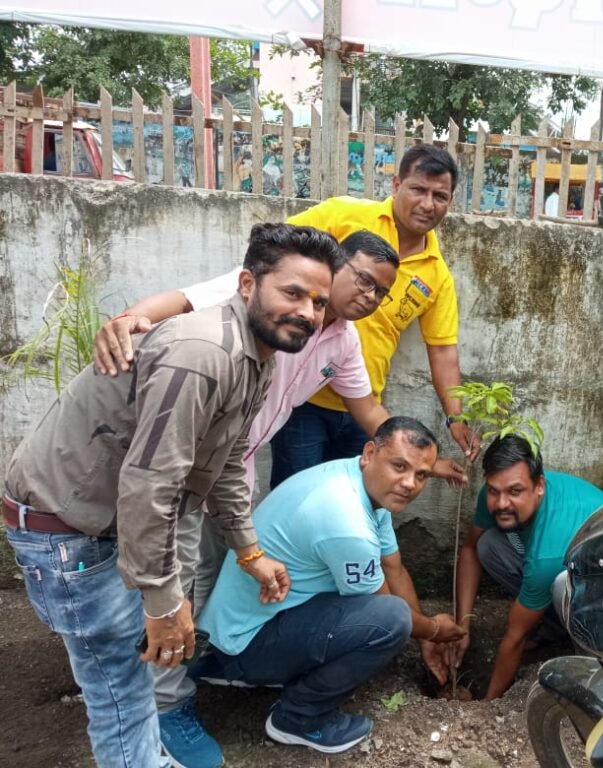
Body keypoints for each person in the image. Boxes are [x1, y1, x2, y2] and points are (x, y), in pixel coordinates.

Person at [91, 230, 466, 767]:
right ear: (331, 271)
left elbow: (370, 414)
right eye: (360, 279)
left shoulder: (338, 341)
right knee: (172, 580)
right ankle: (168, 702)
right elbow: (183, 299)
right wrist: (130, 317)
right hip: (184, 463)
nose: (368, 295)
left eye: (381, 292)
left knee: (213, 575)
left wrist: (425, 462)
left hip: (231, 465)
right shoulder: (270, 297)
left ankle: (196, 664)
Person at [3, 223, 341, 768]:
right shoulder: (204, 353)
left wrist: (249, 551)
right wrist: (163, 603)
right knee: (122, 690)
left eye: (319, 301)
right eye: (293, 293)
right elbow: (151, 484)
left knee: (129, 678)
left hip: (104, 522)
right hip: (66, 532)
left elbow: (228, 461)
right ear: (249, 284)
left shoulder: (258, 355)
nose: (307, 311)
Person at [196, 417, 466, 754]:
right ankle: (298, 717)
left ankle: (239, 670)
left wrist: (425, 635)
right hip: (245, 644)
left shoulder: (358, 481)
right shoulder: (347, 521)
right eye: (400, 466)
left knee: (392, 614)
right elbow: (387, 610)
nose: (410, 483)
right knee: (392, 620)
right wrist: (435, 630)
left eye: (421, 474)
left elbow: (392, 567)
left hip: (241, 628)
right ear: (370, 452)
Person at [276, 144, 479, 483]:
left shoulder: (437, 274)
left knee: (355, 502)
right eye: (418, 189)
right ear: (397, 185)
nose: (428, 204)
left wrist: (455, 419)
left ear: (450, 201)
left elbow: (443, 350)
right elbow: (279, 246)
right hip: (304, 395)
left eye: (439, 195)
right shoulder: (345, 215)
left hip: (365, 406)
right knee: (295, 494)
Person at [449, 435, 603, 700]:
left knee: (590, 661)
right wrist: (462, 626)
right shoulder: (497, 493)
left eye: (515, 492)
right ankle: (553, 626)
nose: (501, 503)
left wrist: (488, 704)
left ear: (539, 486)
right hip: (568, 563)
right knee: (489, 544)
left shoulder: (546, 557)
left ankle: (572, 636)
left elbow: (515, 639)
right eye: (493, 491)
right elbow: (469, 548)